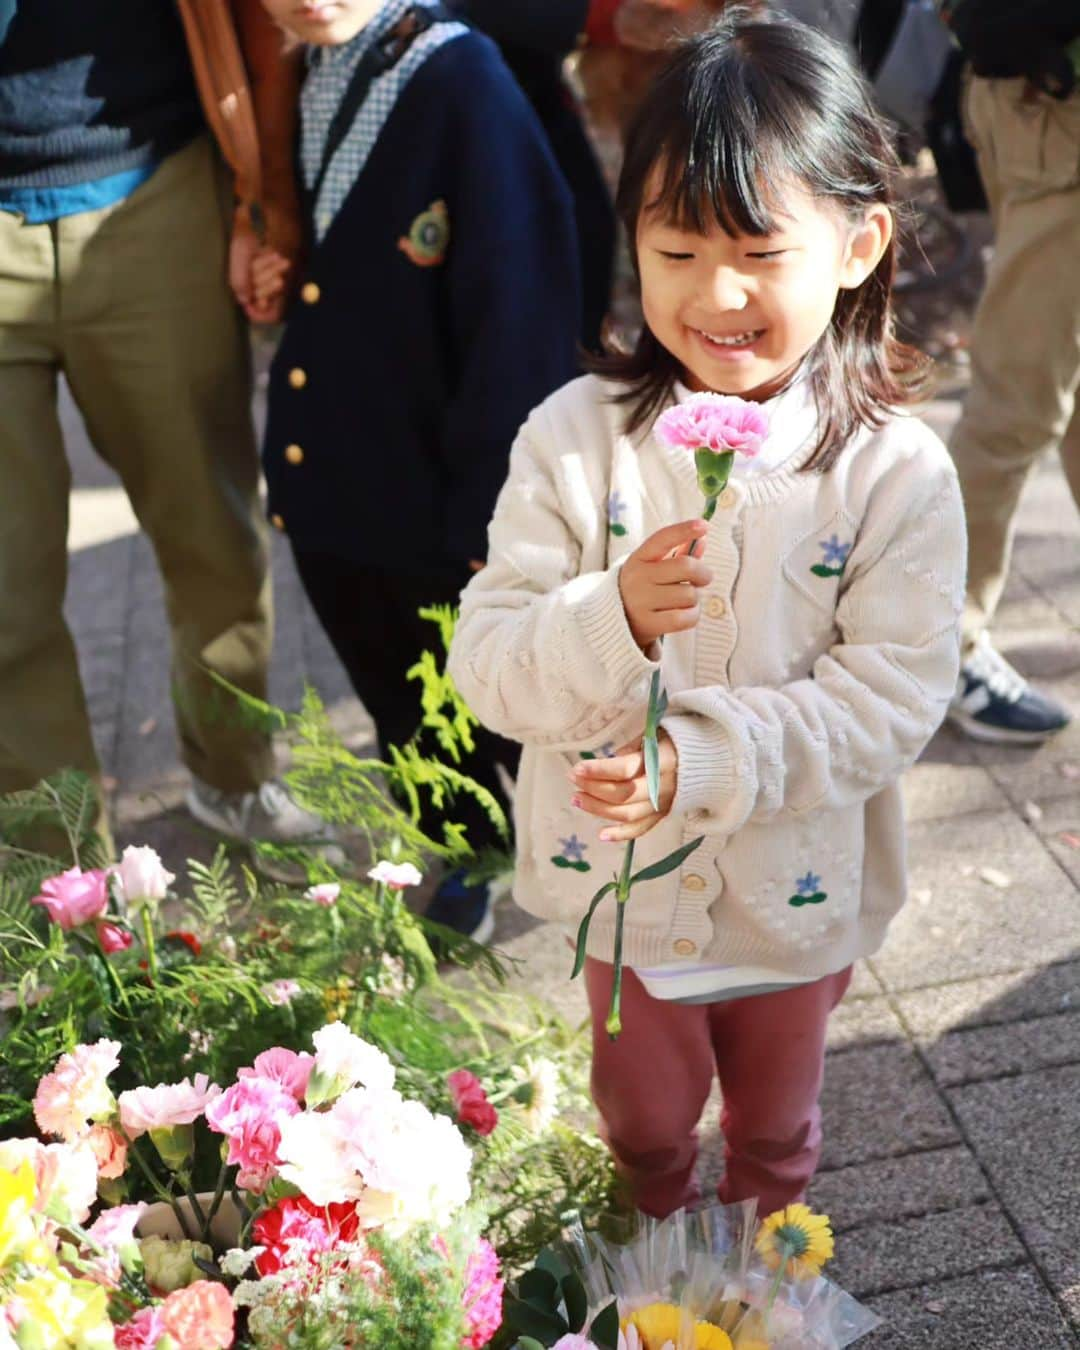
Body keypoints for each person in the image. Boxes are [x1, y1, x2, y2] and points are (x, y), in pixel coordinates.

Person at [449, 10, 966, 1216]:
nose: (714, 294)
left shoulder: (894, 473)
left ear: (856, 245)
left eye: (757, 252)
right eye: (674, 252)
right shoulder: (576, 441)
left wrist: (696, 759)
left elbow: (890, 700)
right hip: (618, 896)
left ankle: (768, 1281)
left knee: (777, 1127)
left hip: (795, 893)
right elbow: (486, 660)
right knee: (639, 1123)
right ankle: (655, 1269)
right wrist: (609, 617)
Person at [252, 0, 581, 939]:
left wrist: (496, 508)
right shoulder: (296, 75)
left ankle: (563, 854)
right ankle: (467, 845)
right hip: (340, 481)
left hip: (440, 490)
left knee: (487, 694)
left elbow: (518, 307)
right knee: (401, 699)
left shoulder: (460, 76)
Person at [0, 0, 338, 859]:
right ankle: (65, 873)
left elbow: (264, 23)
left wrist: (260, 203)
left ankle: (235, 777)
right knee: (5, 585)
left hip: (158, 186)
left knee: (211, 535)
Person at [937, 0, 1080, 742]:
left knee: (1056, 385)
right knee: (1017, 400)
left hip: (1041, 99)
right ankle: (940, 647)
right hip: (1053, 110)